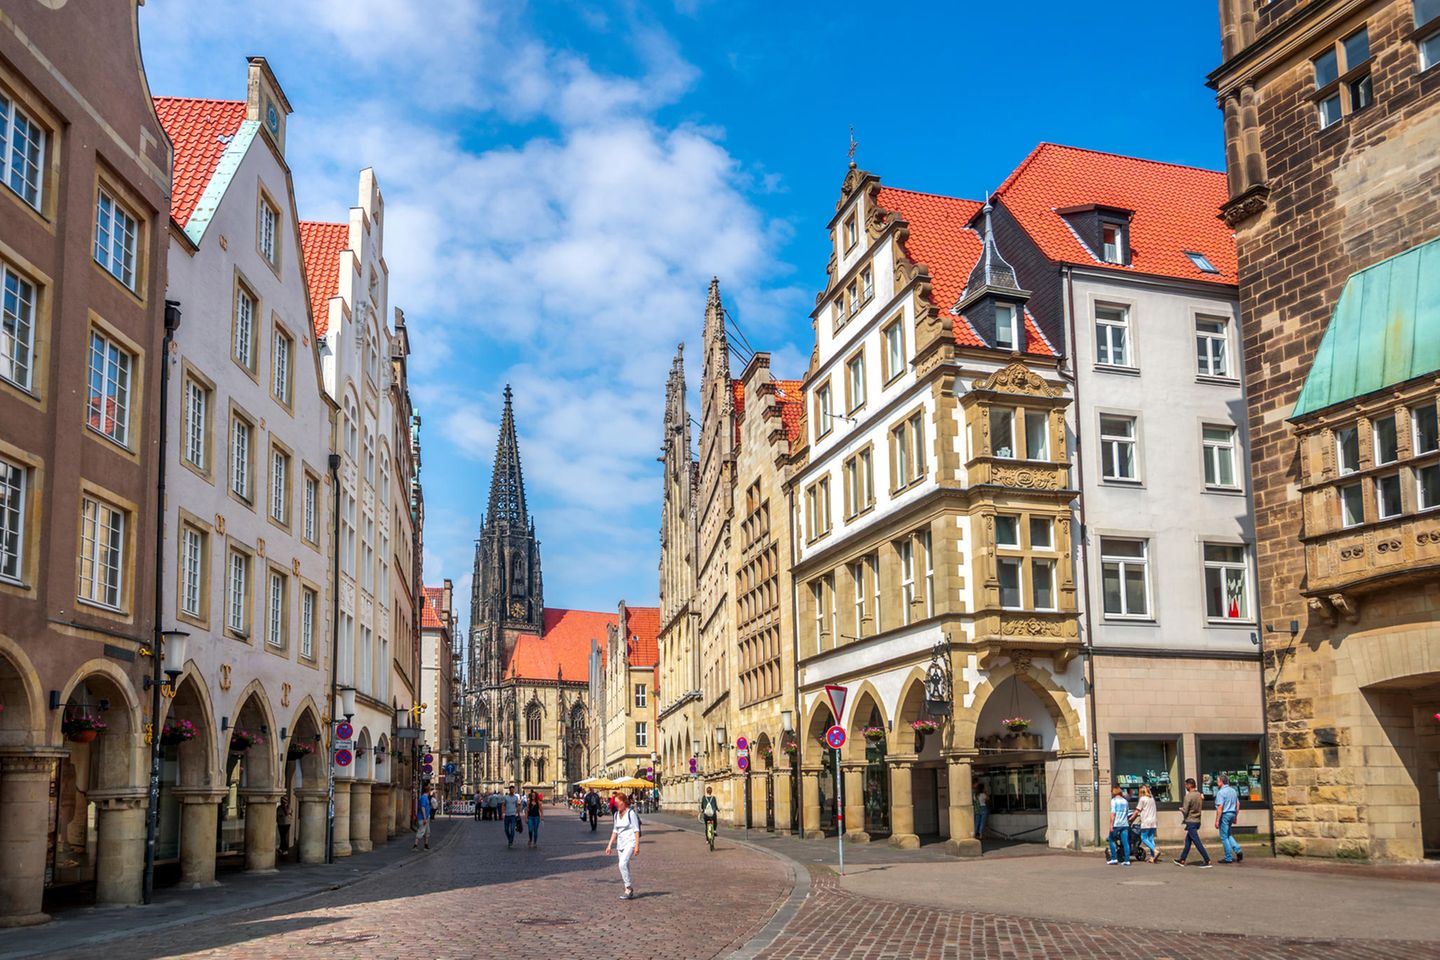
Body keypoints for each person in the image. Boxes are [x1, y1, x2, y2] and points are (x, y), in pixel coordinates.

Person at [604, 791, 641, 901]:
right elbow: (615, 831)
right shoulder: (616, 815)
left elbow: (636, 830)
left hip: (630, 842)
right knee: (625, 866)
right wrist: (609, 845)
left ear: (624, 802)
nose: (616, 805)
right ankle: (627, 889)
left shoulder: (631, 813)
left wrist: (637, 846)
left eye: (618, 803)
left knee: (622, 864)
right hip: (620, 844)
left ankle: (628, 887)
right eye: (615, 803)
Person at [1174, 778, 1213, 868]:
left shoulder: (1188, 796)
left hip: (1191, 821)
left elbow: (1185, 811)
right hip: (1197, 820)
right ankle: (1182, 859)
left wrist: (1181, 809)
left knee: (1197, 841)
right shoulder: (1199, 795)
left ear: (1189, 785)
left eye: (1186, 785)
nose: (1185, 786)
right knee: (1188, 841)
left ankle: (1207, 860)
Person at [1214, 774, 1243, 863]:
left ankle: (1228, 857)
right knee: (1228, 834)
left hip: (1225, 815)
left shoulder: (1221, 792)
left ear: (1221, 782)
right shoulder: (1233, 791)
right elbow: (1238, 804)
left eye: (1218, 781)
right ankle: (1238, 850)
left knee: (1224, 837)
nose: (1216, 783)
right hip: (1232, 813)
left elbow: (1220, 807)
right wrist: (1236, 816)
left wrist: (1217, 820)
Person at [1106, 785, 1132, 865]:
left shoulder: (1113, 801)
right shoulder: (1125, 801)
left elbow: (1113, 814)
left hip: (1116, 824)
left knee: (1111, 839)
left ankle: (1114, 858)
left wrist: (1111, 825)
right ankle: (1127, 860)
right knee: (1125, 842)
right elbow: (1127, 812)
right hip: (1124, 824)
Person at [1136, 784, 1160, 863]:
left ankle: (1155, 851)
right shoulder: (1151, 798)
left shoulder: (1142, 799)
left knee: (1143, 838)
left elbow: (1138, 810)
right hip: (1153, 820)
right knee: (1151, 838)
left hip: (1146, 821)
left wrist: (1132, 817)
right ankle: (1153, 857)